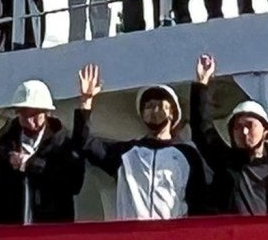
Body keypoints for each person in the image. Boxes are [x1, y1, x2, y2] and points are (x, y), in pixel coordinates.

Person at [185, 57, 268, 214]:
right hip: (235, 237)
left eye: (250, 126)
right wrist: (201, 84)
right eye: (238, 127)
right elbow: (202, 128)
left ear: (266, 131)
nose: (244, 132)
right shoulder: (225, 161)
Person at [0, 76, 90, 225]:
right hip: (9, 236)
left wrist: (30, 164)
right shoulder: (6, 140)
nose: (29, 121)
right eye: (24, 114)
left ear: (47, 113)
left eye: (35, 115)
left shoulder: (61, 143)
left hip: (50, 236)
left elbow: (74, 183)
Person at [81, 70, 200, 219]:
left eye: (161, 105)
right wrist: (86, 102)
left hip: (172, 237)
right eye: (149, 106)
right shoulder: (127, 153)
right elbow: (85, 143)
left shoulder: (187, 155)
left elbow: (199, 202)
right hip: (132, 237)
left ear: (172, 112)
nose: (155, 110)